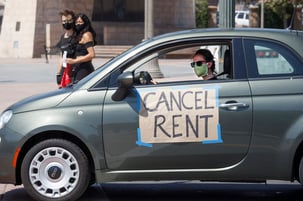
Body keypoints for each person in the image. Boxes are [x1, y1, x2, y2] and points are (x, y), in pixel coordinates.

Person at [66, 13, 96, 83]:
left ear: (85, 23)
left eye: (80, 22)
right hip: (76, 68)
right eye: (76, 22)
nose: (78, 24)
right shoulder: (78, 35)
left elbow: (92, 55)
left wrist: (74, 61)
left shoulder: (87, 35)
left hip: (84, 69)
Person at [56, 9, 77, 88]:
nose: (66, 23)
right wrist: (58, 73)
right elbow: (61, 56)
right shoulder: (62, 37)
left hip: (75, 71)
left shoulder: (77, 36)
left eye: (68, 20)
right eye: (64, 21)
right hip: (64, 71)